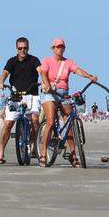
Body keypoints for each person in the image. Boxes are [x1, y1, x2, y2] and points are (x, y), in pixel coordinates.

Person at [37, 38, 97, 168]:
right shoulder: (47, 60)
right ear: (53, 48)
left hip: (63, 94)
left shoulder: (68, 62)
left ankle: (73, 154)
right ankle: (42, 153)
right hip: (49, 93)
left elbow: (78, 70)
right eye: (57, 47)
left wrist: (90, 76)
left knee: (69, 122)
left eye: (62, 47)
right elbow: (43, 74)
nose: (60, 48)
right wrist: (47, 86)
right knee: (51, 121)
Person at [0, 37, 42, 163]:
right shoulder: (12, 61)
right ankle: (1, 153)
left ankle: (33, 146)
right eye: (20, 48)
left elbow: (40, 71)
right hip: (16, 96)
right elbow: (5, 73)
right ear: (16, 49)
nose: (23, 51)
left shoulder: (34, 60)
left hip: (32, 95)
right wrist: (1, 82)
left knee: (35, 120)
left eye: (25, 48)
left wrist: (45, 81)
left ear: (28, 48)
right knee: (7, 124)